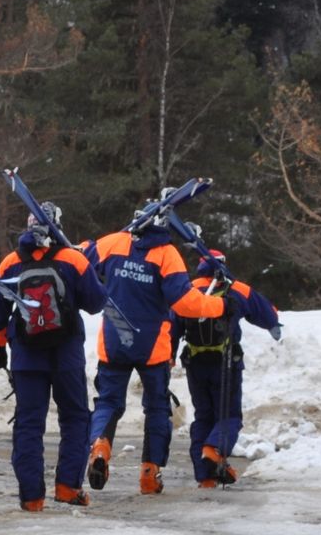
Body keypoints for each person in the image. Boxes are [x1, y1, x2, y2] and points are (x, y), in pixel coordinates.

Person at [83, 210, 232, 495]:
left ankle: (99, 446)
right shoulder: (167, 254)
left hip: (115, 338)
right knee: (156, 409)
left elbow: (81, 261)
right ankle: (150, 474)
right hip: (153, 346)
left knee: (107, 403)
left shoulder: (112, 242)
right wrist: (220, 306)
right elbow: (185, 303)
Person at [0, 202, 108, 511]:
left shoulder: (11, 263)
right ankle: (68, 487)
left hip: (27, 355)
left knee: (28, 424)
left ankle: (31, 496)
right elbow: (95, 303)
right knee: (75, 418)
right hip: (66, 354)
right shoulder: (73, 260)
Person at [170, 248, 280, 488]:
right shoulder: (236, 288)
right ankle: (214, 449)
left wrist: (168, 356)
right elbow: (266, 314)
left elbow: (173, 324)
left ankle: (206, 476)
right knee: (229, 415)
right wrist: (274, 325)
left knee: (204, 417)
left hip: (195, 363)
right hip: (226, 362)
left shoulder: (187, 289)